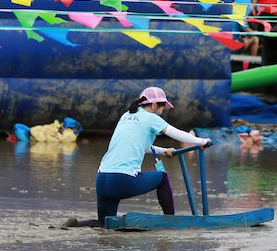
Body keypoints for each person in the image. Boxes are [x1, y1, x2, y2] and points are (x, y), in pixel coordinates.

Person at [64, 87, 212, 227]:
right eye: (162, 108)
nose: (162, 111)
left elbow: (140, 145)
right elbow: (177, 133)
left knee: (104, 223)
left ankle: (77, 225)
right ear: (154, 105)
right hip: (122, 180)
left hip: (102, 178)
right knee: (162, 178)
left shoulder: (127, 115)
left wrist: (163, 151)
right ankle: (171, 221)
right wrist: (203, 141)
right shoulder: (150, 117)